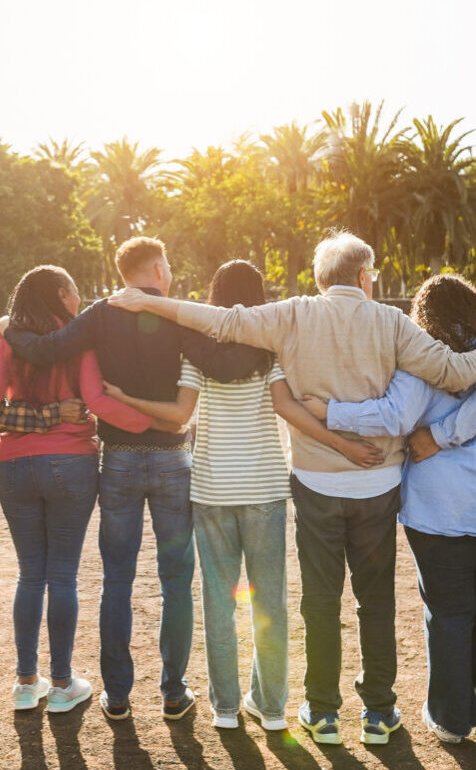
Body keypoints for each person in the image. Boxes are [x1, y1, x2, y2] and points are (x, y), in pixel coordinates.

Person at [108, 231, 476, 745]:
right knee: (376, 602)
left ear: (321, 278)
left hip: (314, 482)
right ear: (364, 276)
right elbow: (456, 372)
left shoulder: (294, 314)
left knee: (319, 603)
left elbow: (224, 321)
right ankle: (378, 714)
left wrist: (150, 301)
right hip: (378, 482)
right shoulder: (392, 322)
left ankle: (321, 714)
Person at [103, 259, 383, 732]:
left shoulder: (196, 352)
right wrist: (343, 443)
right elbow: (285, 406)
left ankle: (226, 708)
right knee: (270, 603)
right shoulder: (269, 349)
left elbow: (179, 414)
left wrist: (122, 399)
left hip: (212, 489)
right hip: (265, 489)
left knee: (219, 603)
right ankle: (271, 709)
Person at [2, 237, 268, 721]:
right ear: (160, 268)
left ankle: (118, 695)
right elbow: (221, 364)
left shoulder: (101, 314)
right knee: (175, 578)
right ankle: (173, 692)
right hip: (171, 460)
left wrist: (8, 331)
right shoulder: (175, 313)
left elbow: (46, 349)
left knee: (117, 579)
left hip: (119, 459)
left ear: (123, 271)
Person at [0, 264, 181, 714]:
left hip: (14, 463)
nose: (76, 300)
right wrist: (157, 422)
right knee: (63, 575)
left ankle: (25, 682)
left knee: (30, 574)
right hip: (70, 464)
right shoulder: (78, 339)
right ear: (59, 293)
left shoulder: (7, 337)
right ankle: (63, 684)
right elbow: (97, 401)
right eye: (72, 290)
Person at [305, 274, 476, 744]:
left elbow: (394, 416)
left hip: (438, 508)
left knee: (448, 611)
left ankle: (451, 719)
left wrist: (330, 411)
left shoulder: (423, 356)